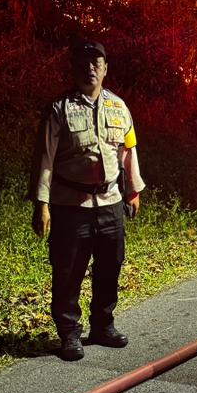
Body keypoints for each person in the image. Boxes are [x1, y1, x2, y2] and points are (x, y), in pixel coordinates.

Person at [29, 40, 145, 361]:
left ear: (106, 68)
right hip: (70, 206)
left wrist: (133, 191)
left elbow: (128, 151)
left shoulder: (119, 108)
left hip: (110, 203)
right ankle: (69, 332)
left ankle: (102, 326)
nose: (90, 68)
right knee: (68, 271)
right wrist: (42, 204)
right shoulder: (59, 109)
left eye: (97, 62)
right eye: (84, 62)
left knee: (111, 266)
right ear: (74, 68)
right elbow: (45, 159)